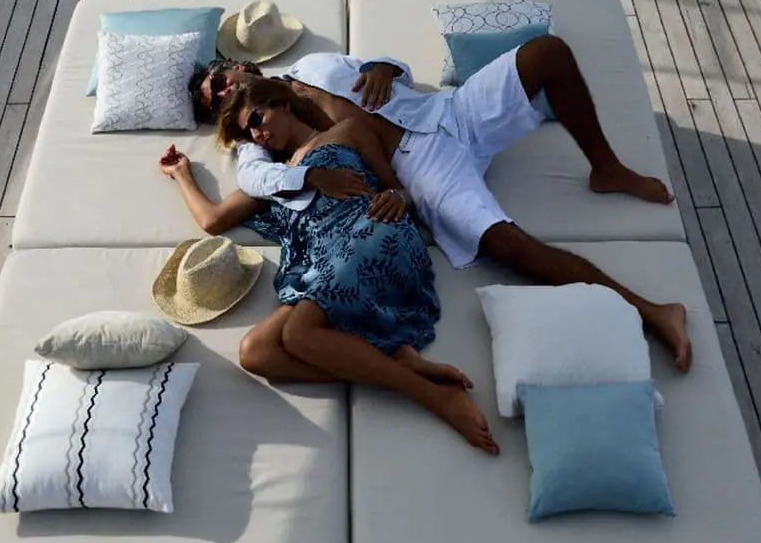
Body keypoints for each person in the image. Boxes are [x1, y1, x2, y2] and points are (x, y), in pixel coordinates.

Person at [188, 39, 693, 372]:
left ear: (234, 64)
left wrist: (385, 67)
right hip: (416, 169)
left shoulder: (313, 64)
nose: (224, 96)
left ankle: (606, 168)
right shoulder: (257, 135)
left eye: (219, 82)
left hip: (444, 112)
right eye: (216, 104)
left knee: (547, 53)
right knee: (508, 245)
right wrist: (309, 172)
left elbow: (394, 69)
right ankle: (649, 311)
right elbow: (254, 177)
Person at [158, 78, 498, 453]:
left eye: (258, 117)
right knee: (256, 352)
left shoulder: (347, 132)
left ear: (283, 103)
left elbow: (400, 187)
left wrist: (398, 196)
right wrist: (181, 174)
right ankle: (400, 368)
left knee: (298, 335)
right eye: (248, 132)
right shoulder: (276, 179)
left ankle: (434, 398)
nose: (257, 134)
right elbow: (212, 219)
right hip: (322, 265)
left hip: (370, 231)